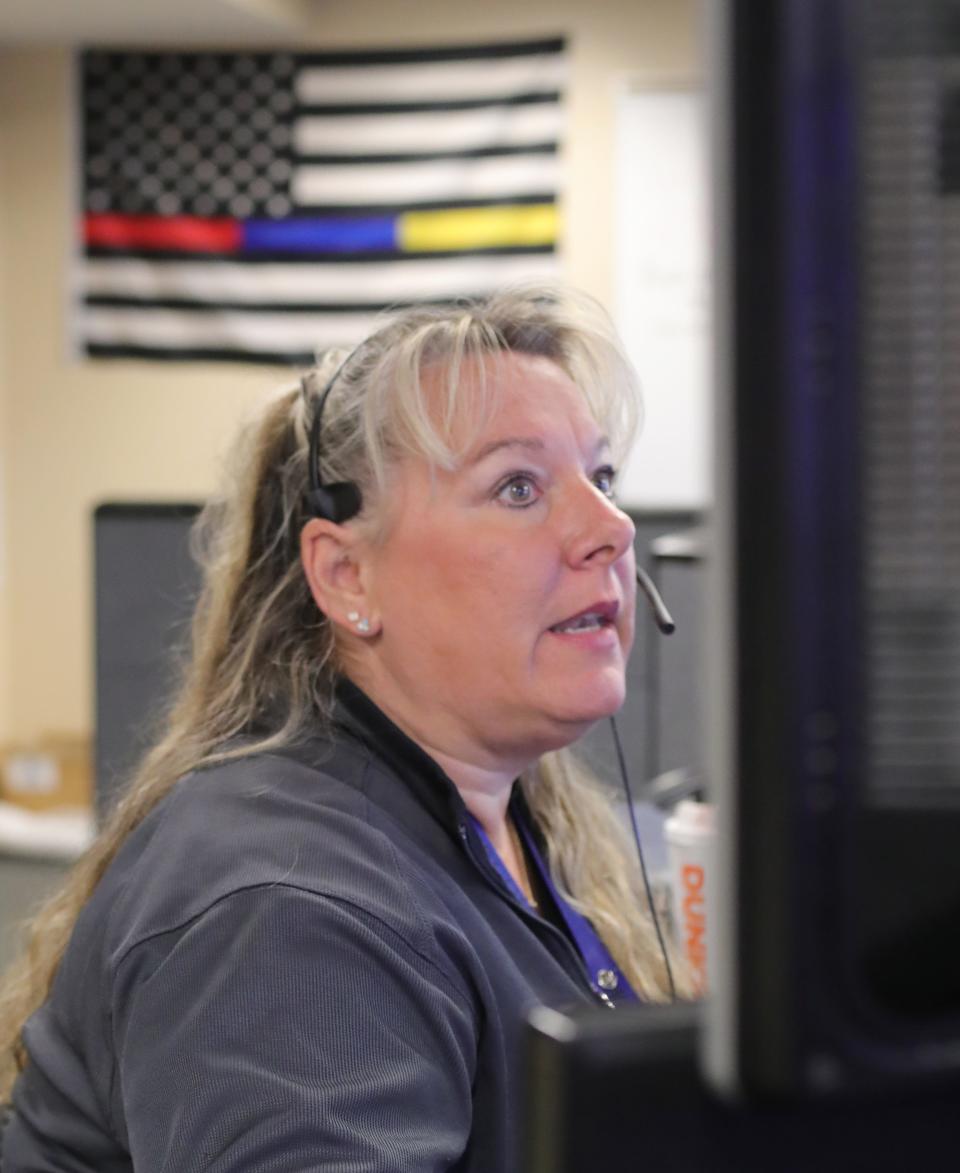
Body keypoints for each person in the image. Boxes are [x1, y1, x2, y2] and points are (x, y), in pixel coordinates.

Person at [0, 285, 681, 1172]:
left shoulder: (505, 815)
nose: (612, 529)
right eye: (518, 486)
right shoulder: (284, 909)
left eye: (600, 480)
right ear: (346, 577)